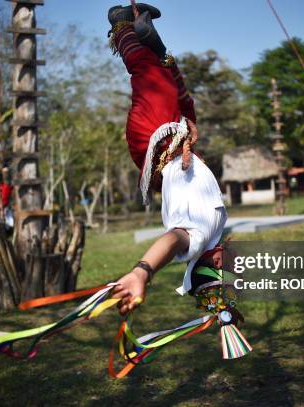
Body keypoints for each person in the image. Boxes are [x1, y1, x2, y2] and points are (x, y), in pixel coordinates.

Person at [107, 3, 227, 315]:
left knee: (152, 77)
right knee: (183, 99)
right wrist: (221, 311)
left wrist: (141, 271)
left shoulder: (198, 237)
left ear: (211, 262)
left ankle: (121, 25)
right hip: (173, 137)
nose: (230, 264)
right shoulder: (216, 231)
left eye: (223, 271)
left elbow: (174, 238)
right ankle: (157, 47)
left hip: (157, 140)